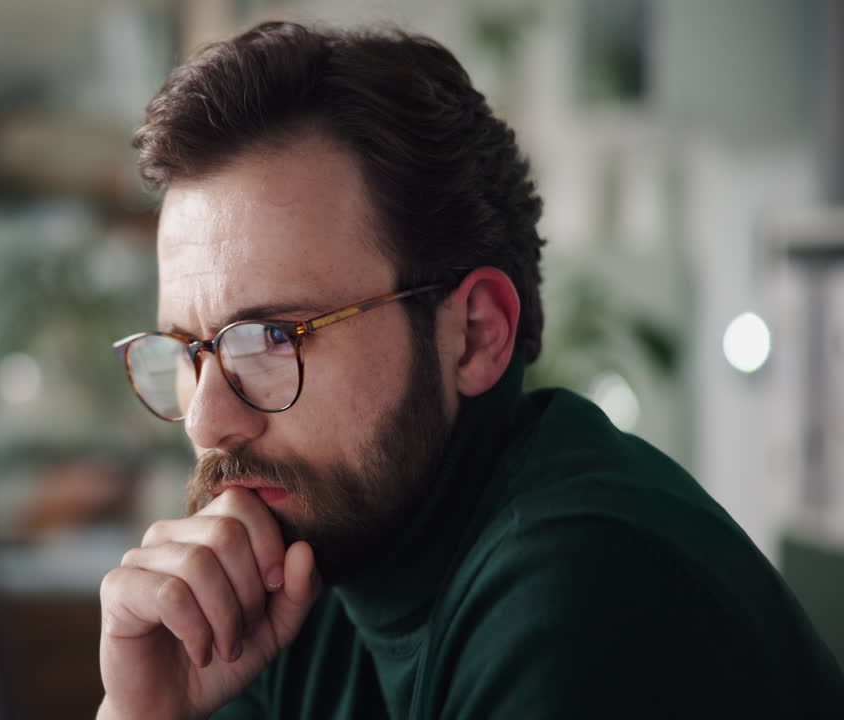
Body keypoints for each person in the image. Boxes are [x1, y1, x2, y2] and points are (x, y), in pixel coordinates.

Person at [97, 21, 844, 720]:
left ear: (475, 336)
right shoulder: (298, 570)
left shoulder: (581, 598)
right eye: (190, 352)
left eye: (269, 340)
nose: (205, 420)